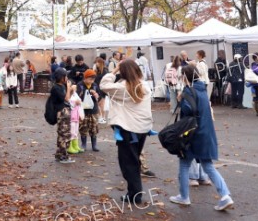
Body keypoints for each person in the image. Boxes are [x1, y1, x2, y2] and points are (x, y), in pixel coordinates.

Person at [169, 65, 234, 211]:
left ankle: (184, 196)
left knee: (185, 164)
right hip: (206, 132)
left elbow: (188, 110)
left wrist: (181, 99)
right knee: (208, 166)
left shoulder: (188, 91)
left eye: (181, 76)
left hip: (192, 135)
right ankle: (225, 195)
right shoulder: (202, 88)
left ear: (185, 77)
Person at [100, 60, 153, 205]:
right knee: (134, 161)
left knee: (128, 163)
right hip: (142, 129)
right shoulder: (145, 85)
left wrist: (114, 70)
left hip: (128, 129)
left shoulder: (123, 88)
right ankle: (134, 193)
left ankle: (135, 195)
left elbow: (103, 85)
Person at [51, 67, 75, 163]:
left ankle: (59, 154)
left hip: (66, 112)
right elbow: (66, 99)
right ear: (61, 77)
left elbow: (68, 96)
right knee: (64, 135)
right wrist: (69, 88)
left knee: (65, 134)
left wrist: (71, 89)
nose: (67, 78)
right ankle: (63, 156)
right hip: (62, 113)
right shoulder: (56, 87)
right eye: (65, 76)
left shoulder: (61, 86)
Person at [76, 69, 104, 152]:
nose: (91, 81)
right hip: (83, 110)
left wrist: (96, 95)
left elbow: (99, 96)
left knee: (94, 127)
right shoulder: (80, 85)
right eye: (90, 79)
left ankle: (94, 145)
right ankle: (83, 144)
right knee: (83, 126)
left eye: (93, 79)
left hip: (93, 110)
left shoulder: (95, 85)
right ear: (85, 78)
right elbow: (78, 96)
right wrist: (87, 92)